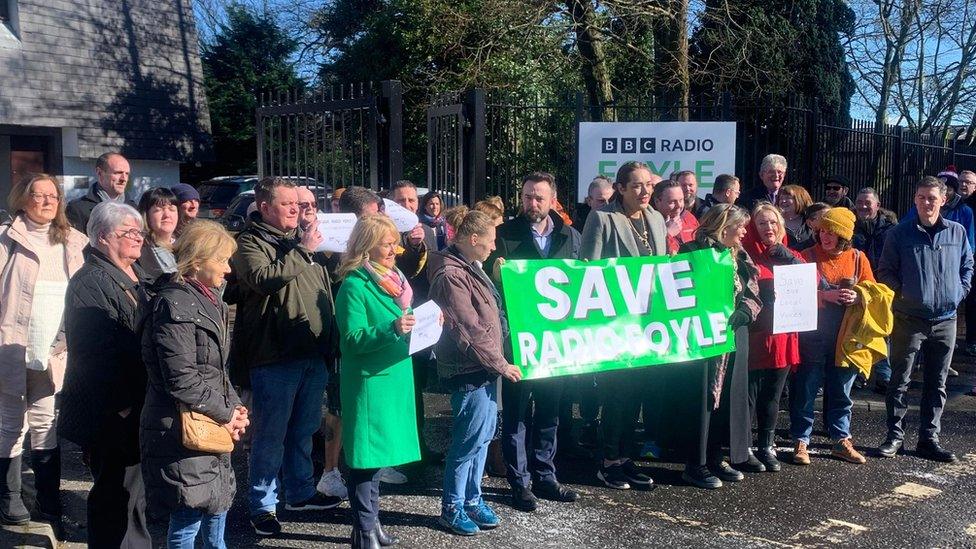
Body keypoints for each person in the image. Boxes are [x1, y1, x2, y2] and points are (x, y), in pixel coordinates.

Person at [230, 176, 341, 537]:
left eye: (301, 204)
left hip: (311, 352)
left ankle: (299, 491)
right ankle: (262, 505)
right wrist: (304, 251)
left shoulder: (300, 242)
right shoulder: (249, 242)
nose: (297, 209)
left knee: (304, 430)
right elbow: (262, 279)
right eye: (288, 203)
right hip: (275, 355)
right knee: (270, 434)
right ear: (265, 208)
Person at [140, 220, 249, 549]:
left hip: (207, 422)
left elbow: (217, 368)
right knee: (188, 517)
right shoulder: (174, 304)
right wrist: (226, 413)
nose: (228, 270)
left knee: (216, 507)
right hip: (182, 428)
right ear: (199, 260)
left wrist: (236, 408)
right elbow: (181, 379)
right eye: (222, 260)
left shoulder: (207, 298)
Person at [59, 201, 151, 547]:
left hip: (134, 406)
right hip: (113, 412)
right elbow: (94, 354)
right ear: (101, 237)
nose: (138, 238)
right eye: (129, 232)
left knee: (133, 495)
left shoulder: (136, 274)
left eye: (139, 232)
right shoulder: (91, 281)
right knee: (115, 497)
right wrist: (123, 405)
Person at [487, 172, 581, 512]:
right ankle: (519, 482)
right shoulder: (503, 235)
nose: (532, 203)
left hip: (556, 342)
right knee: (516, 414)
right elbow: (485, 281)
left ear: (553, 199)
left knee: (550, 411)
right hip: (518, 341)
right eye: (527, 196)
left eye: (539, 197)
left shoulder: (570, 236)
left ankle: (545, 476)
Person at [429, 206, 523, 536]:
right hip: (469, 369)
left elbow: (490, 317)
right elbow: (468, 329)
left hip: (482, 368)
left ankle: (472, 499)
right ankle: (452, 507)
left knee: (482, 438)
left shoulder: (469, 266)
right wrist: (501, 364)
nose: (494, 246)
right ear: (473, 239)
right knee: (468, 441)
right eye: (491, 240)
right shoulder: (451, 275)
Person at [0, 174, 86, 529]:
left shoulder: (74, 242)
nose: (49, 201)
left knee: (45, 423)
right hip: (11, 347)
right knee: (9, 424)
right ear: (23, 199)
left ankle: (50, 502)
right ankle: (10, 497)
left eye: (54, 196)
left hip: (55, 350)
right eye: (40, 195)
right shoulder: (6, 241)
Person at [332, 214, 421, 548]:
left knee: (378, 459)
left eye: (394, 243)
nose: (394, 250)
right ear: (366, 245)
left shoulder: (395, 279)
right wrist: (393, 329)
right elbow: (352, 339)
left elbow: (404, 321)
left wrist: (427, 324)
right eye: (386, 244)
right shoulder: (354, 285)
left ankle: (370, 524)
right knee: (364, 460)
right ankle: (364, 529)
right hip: (369, 382)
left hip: (393, 377)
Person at [579, 161, 666, 490]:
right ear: (621, 188)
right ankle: (608, 461)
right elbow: (589, 272)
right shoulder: (602, 218)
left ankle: (626, 457)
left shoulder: (655, 218)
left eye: (649, 185)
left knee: (638, 393)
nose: (645, 192)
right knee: (617, 392)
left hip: (649, 322)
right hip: (617, 323)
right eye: (638, 186)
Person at [664, 203, 761, 488]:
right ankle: (695, 463)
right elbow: (676, 290)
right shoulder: (692, 251)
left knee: (728, 398)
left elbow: (754, 290)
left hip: (732, 337)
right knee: (701, 400)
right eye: (740, 226)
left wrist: (745, 311)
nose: (744, 232)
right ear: (723, 226)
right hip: (701, 341)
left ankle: (717, 456)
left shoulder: (739, 255)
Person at [877, 176, 973, 463]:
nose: (927, 202)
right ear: (915, 200)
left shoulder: (957, 232)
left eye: (932, 197)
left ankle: (929, 439)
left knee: (938, 382)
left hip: (946, 320)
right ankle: (895, 436)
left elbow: (968, 266)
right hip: (909, 319)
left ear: (943, 200)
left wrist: (959, 292)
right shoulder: (899, 234)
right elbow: (885, 271)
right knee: (900, 380)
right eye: (922, 197)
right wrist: (904, 295)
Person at [790, 207, 875, 466]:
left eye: (833, 233)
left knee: (842, 389)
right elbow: (793, 294)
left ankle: (841, 439)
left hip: (846, 335)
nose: (826, 237)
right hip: (813, 334)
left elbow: (874, 289)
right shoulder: (805, 256)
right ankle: (800, 440)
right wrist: (823, 296)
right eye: (823, 231)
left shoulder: (858, 258)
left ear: (845, 236)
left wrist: (858, 295)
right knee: (806, 388)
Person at [741, 203, 802, 472]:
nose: (769, 228)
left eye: (774, 223)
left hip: (783, 335)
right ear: (754, 227)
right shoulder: (745, 256)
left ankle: (766, 444)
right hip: (756, 335)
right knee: (750, 394)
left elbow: (813, 281)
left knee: (773, 395)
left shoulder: (791, 255)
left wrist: (789, 257)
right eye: (762, 223)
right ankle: (742, 447)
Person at [390, 180, 442, 464]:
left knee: (416, 388)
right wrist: (410, 246)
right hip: (391, 322)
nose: (408, 206)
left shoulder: (427, 233)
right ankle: (397, 450)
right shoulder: (381, 234)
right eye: (402, 201)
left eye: (412, 201)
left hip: (419, 321)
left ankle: (418, 444)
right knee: (395, 387)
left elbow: (430, 276)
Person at [852, 187, 897, 393]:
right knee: (858, 329)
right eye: (859, 202)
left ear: (877, 206)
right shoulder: (850, 226)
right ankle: (860, 374)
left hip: (882, 285)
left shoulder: (890, 229)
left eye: (867, 202)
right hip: (858, 285)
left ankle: (883, 376)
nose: (862, 206)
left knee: (881, 330)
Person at [66, 152, 134, 233]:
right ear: (100, 173)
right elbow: (76, 244)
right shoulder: (77, 209)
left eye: (127, 174)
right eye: (118, 173)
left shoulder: (134, 209)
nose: (123, 179)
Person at [136, 187, 180, 281]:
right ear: (146, 215)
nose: (167, 215)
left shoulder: (185, 246)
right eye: (159, 210)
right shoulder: (139, 251)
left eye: (172, 209)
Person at [654, 179, 698, 254]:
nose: (678, 206)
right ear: (657, 201)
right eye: (672, 202)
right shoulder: (649, 222)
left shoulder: (689, 218)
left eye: (681, 200)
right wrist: (668, 234)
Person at [775, 184, 813, 249]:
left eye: (788, 198)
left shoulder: (811, 221)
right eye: (781, 198)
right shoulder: (775, 223)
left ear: (800, 200)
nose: (783, 201)